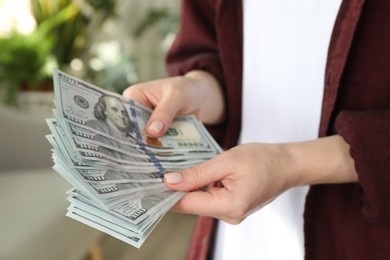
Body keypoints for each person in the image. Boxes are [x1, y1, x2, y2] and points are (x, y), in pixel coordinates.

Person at [123, 0, 390, 259]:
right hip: (237, 238)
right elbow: (215, 44)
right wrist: (199, 89)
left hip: (358, 238)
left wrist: (292, 163)